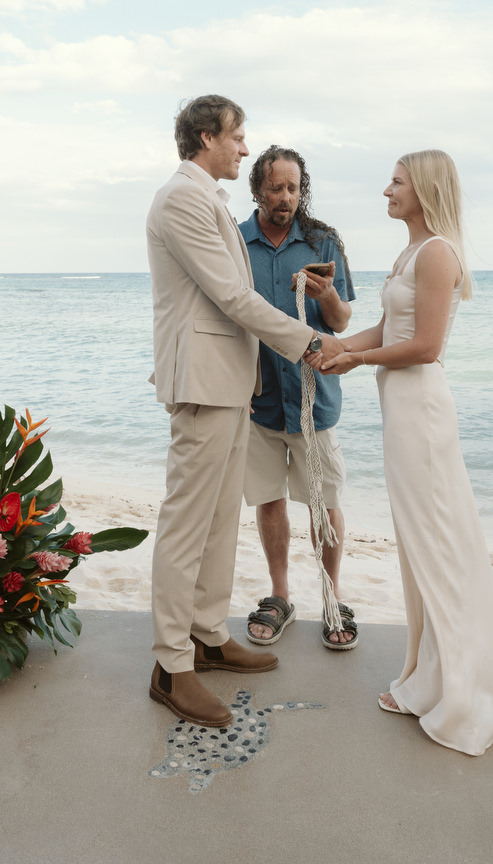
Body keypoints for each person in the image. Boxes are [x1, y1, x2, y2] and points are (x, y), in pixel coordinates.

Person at [146, 96, 341, 728]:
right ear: (206, 137)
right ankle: (171, 665)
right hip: (203, 382)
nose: (244, 147)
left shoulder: (209, 199)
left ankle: (207, 635)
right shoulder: (182, 199)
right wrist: (308, 342)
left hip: (232, 384)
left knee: (219, 521)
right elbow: (232, 295)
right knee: (186, 526)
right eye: (237, 136)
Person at [320, 150, 493, 755]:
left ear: (424, 188)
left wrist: (354, 358)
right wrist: (331, 346)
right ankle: (429, 678)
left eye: (397, 182)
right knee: (419, 545)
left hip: (423, 414)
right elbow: (390, 330)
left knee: (437, 546)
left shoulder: (436, 254)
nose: (387, 191)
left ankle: (458, 692)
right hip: (402, 411)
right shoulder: (410, 252)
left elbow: (427, 346)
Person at [239, 146, 358, 650]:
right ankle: (280, 595)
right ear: (257, 190)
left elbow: (342, 322)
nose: (285, 197)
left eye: (293, 187)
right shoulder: (234, 242)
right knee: (268, 499)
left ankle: (332, 596)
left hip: (315, 400)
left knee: (324, 504)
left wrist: (324, 294)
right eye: (275, 188)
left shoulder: (322, 241)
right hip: (258, 400)